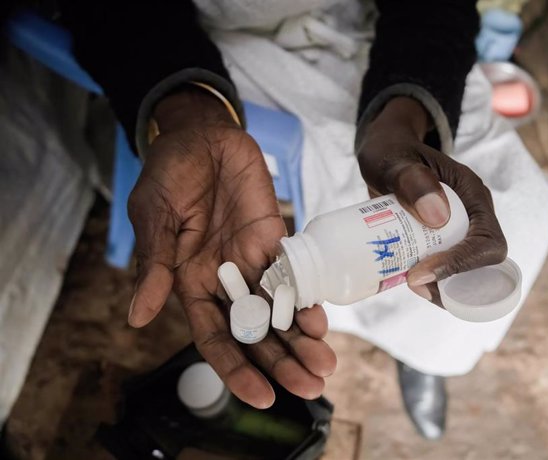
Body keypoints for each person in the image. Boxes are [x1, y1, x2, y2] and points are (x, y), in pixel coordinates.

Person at [59, 0, 506, 439]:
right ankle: (416, 341)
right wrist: (186, 112)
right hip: (212, 46)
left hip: (378, 42)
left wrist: (402, 115)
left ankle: (423, 353)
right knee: (358, 221)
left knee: (510, 208)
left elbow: (440, 10)